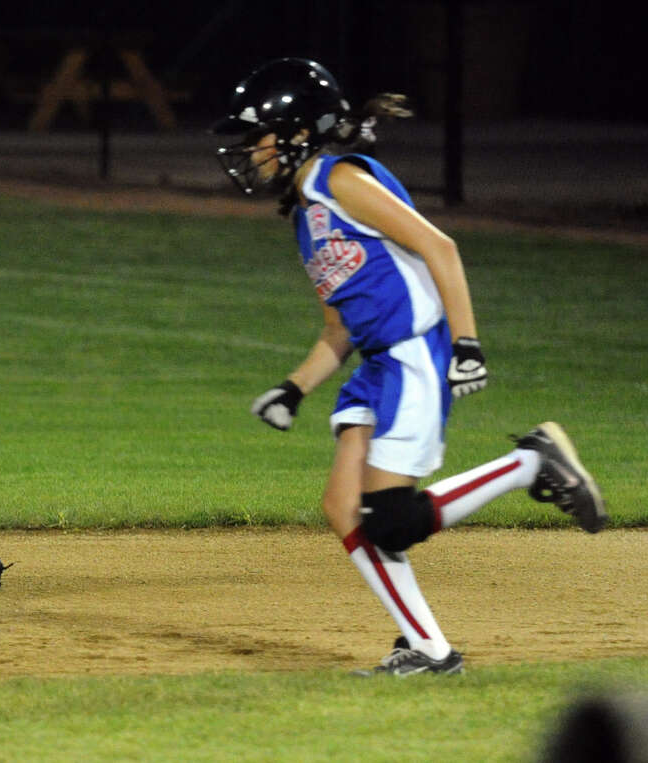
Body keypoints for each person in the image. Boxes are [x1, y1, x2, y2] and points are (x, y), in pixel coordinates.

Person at [212, 58, 607, 675]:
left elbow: (439, 248)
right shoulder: (305, 216)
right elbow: (338, 328)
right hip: (377, 363)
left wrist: (467, 343)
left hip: (416, 352)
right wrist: (294, 387)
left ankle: (531, 461)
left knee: (391, 522)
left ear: (297, 132)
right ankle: (428, 649)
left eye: (258, 137)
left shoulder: (339, 179)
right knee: (345, 509)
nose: (250, 153)